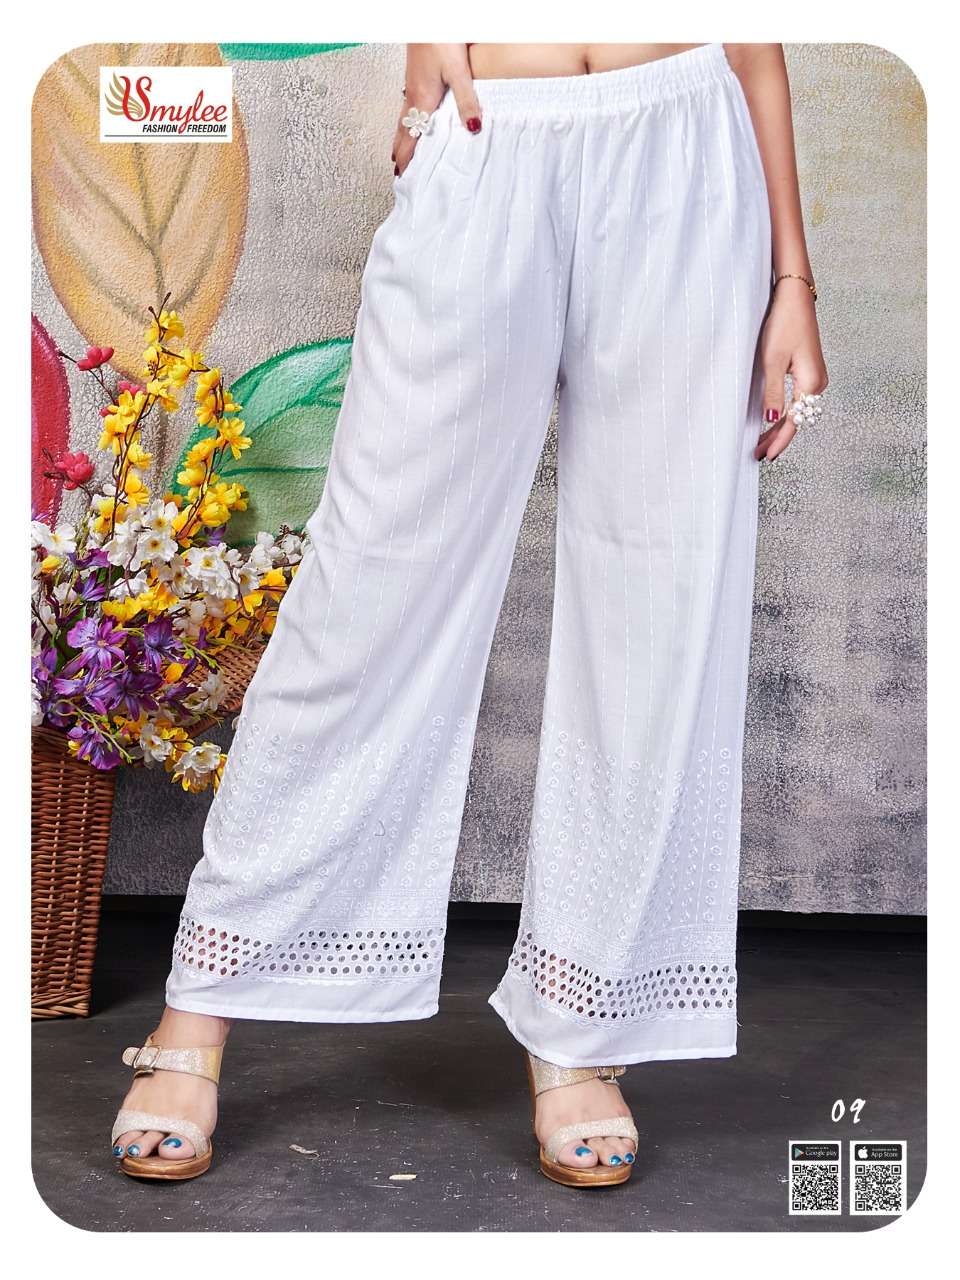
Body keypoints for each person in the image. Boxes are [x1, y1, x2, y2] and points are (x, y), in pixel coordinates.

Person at [110, 41, 828, 1189]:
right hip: (493, 131)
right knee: (370, 584)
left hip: (687, 145)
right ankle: (203, 996)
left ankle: (581, 1018)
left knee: (662, 601)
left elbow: (756, 38)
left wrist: (793, 278)